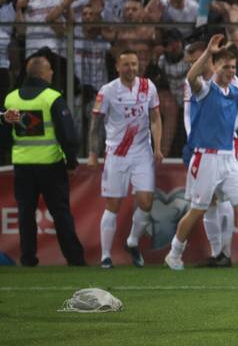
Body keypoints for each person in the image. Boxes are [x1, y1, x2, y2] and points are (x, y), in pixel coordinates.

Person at [165, 34, 238, 270]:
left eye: (233, 67)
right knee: (198, 210)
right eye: (225, 66)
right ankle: (174, 253)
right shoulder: (205, 90)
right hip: (205, 157)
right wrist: (207, 51)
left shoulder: (236, 92)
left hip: (228, 158)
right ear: (214, 66)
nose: (230, 71)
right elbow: (190, 76)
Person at [0, 54, 85, 267]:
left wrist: (12, 151)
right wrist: (71, 161)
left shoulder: (11, 98)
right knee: (61, 213)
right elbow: (67, 134)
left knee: (25, 214)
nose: (52, 73)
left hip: (22, 166)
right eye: (50, 70)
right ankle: (74, 259)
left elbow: (3, 133)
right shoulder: (52, 97)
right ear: (43, 73)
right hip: (51, 165)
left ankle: (28, 259)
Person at [87, 50, 163, 268]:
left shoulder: (148, 87)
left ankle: (132, 241)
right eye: (126, 65)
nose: (131, 68)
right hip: (116, 153)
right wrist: (93, 153)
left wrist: (158, 147)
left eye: (134, 64)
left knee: (146, 202)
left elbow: (156, 118)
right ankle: (105, 256)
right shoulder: (108, 91)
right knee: (113, 204)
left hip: (142, 153)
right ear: (117, 68)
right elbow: (95, 124)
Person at [180, 40, 238, 267]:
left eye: (201, 56)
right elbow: (189, 113)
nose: (196, 61)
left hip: (225, 146)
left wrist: (224, 130)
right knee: (207, 201)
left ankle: (226, 252)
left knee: (226, 196)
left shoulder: (233, 80)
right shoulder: (197, 83)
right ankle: (216, 251)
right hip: (199, 145)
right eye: (193, 58)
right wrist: (194, 135)